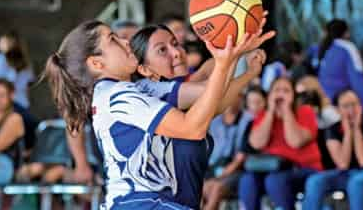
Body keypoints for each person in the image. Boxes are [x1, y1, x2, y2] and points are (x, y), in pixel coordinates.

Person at [43, 20, 256, 209]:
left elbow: (210, 98)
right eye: (113, 40)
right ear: (96, 63)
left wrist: (237, 58)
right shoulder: (116, 94)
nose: (126, 42)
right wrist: (224, 62)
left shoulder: (138, 88)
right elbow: (191, 128)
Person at [130, 22, 274, 209]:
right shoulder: (149, 91)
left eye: (175, 43)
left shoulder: (178, 88)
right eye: (162, 50)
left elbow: (214, 97)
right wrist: (234, 53)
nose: (176, 52)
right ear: (144, 69)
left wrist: (244, 63)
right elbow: (212, 90)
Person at [239, 77, 323, 210]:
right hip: (272, 168)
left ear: (293, 95)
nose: (281, 94)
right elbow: (256, 144)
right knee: (247, 180)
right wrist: (271, 112)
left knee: (274, 181)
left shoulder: (305, 111)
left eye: (286, 91)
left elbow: (295, 142)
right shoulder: (264, 115)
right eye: (277, 90)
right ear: (269, 95)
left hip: (303, 168)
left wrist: (286, 110)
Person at [303, 90, 363, 210]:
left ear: (360, 106)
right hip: (345, 173)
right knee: (315, 181)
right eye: (346, 106)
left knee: (356, 182)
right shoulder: (332, 130)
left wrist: (357, 129)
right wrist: (348, 132)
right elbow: (343, 164)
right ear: (337, 109)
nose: (351, 110)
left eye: (354, 104)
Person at [202, 86, 266, 210]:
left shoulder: (248, 120)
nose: (228, 100)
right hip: (212, 169)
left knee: (215, 189)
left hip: (237, 171)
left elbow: (240, 158)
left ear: (241, 98)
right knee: (198, 189)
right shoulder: (214, 120)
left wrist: (218, 177)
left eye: (232, 95)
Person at [307, 19, 363, 117]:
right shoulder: (347, 47)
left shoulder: (320, 48)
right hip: (341, 108)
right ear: (346, 33)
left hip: (322, 106)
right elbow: (359, 81)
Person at [0, 31, 35, 109]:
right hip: (23, 102)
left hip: (5, 104)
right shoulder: (26, 61)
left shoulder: (0, 58)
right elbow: (29, 85)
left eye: (2, 41)